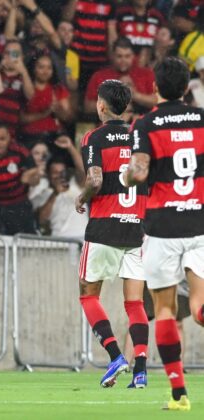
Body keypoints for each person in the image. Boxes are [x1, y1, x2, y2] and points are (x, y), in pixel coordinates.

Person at [123, 56, 204, 411]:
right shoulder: (201, 118)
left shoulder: (146, 123)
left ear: (155, 87)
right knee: (198, 305)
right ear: (186, 87)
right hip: (199, 222)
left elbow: (139, 172)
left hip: (162, 227)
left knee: (166, 310)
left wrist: (125, 175)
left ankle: (179, 394)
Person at [76, 80, 149, 388]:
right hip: (137, 227)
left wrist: (81, 198)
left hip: (105, 225)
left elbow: (94, 180)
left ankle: (116, 356)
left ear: (101, 105)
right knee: (135, 303)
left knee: (88, 294)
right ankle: (140, 369)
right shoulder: (140, 137)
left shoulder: (94, 137)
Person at [0, 120, 39, 235]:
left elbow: (34, 170)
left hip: (19, 204)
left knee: (25, 240)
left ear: (9, 138)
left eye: (2, 139)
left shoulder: (20, 150)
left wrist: (28, 177)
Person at [84, 37, 156, 116]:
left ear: (133, 56)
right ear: (113, 56)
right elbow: (88, 107)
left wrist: (134, 95)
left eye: (127, 56)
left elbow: (157, 101)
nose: (123, 60)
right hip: (109, 122)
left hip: (141, 121)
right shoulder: (99, 76)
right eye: (119, 56)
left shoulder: (146, 74)